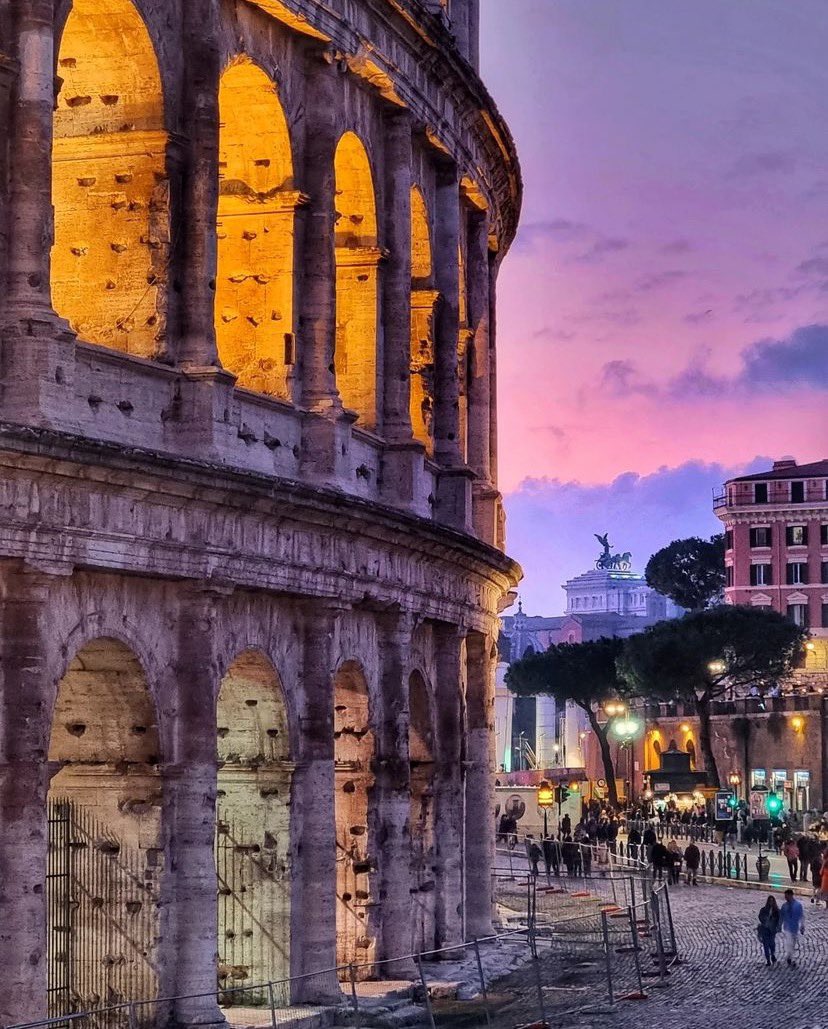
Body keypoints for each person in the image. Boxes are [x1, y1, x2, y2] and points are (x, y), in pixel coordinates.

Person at [779, 888, 805, 967]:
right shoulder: (784, 906)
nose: (785, 898)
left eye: (786, 896)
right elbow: (781, 916)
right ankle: (792, 959)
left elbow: (801, 916)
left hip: (795, 927)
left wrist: (802, 926)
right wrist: (779, 925)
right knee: (789, 942)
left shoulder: (798, 905)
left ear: (791, 895)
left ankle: (789, 956)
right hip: (787, 927)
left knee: (792, 943)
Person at [757, 896, 781, 966]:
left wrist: (777, 927)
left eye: (772, 901)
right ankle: (768, 959)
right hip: (765, 929)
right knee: (766, 945)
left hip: (772, 930)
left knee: (772, 944)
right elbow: (760, 917)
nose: (771, 902)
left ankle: (772, 954)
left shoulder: (776, 911)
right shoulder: (764, 910)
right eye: (770, 901)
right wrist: (765, 920)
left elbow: (779, 920)